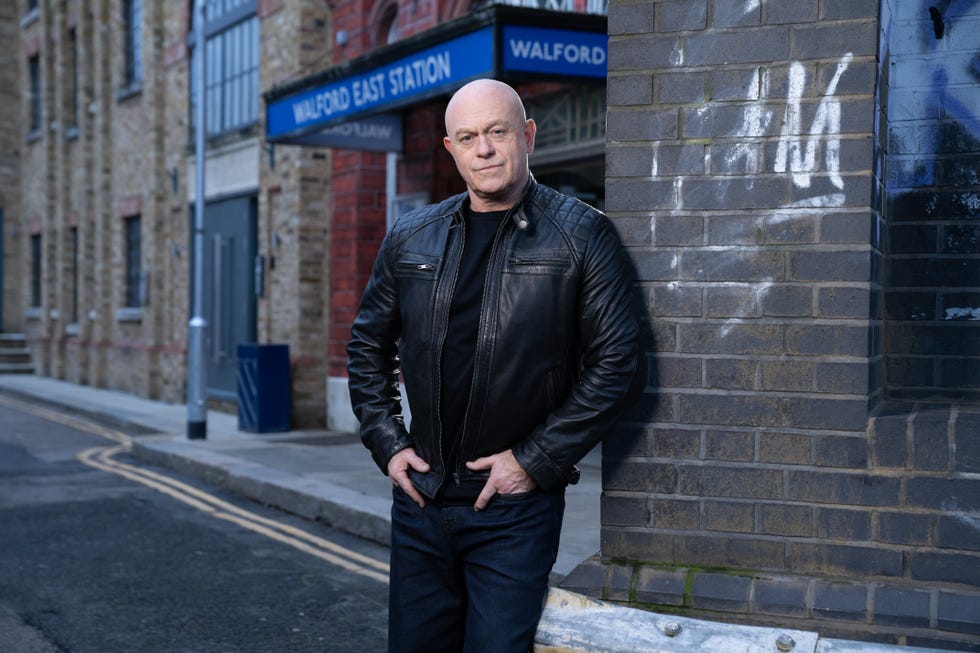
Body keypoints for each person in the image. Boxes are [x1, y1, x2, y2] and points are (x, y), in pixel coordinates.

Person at [347, 78, 639, 653]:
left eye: (497, 132)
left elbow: (618, 364)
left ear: (527, 135)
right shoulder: (411, 236)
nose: (483, 149)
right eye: (468, 137)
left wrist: (533, 461)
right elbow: (366, 344)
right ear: (450, 150)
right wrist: (387, 440)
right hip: (421, 504)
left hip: (513, 510)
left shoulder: (582, 234)